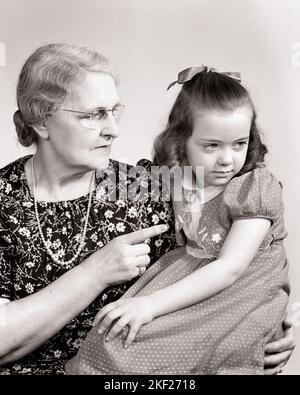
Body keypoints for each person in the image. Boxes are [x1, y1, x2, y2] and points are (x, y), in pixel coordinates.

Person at [0, 45, 294, 376]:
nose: (113, 129)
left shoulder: (153, 185)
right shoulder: (4, 200)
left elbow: (229, 266)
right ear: (41, 120)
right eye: (94, 114)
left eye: (114, 111)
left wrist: (270, 321)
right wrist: (94, 273)